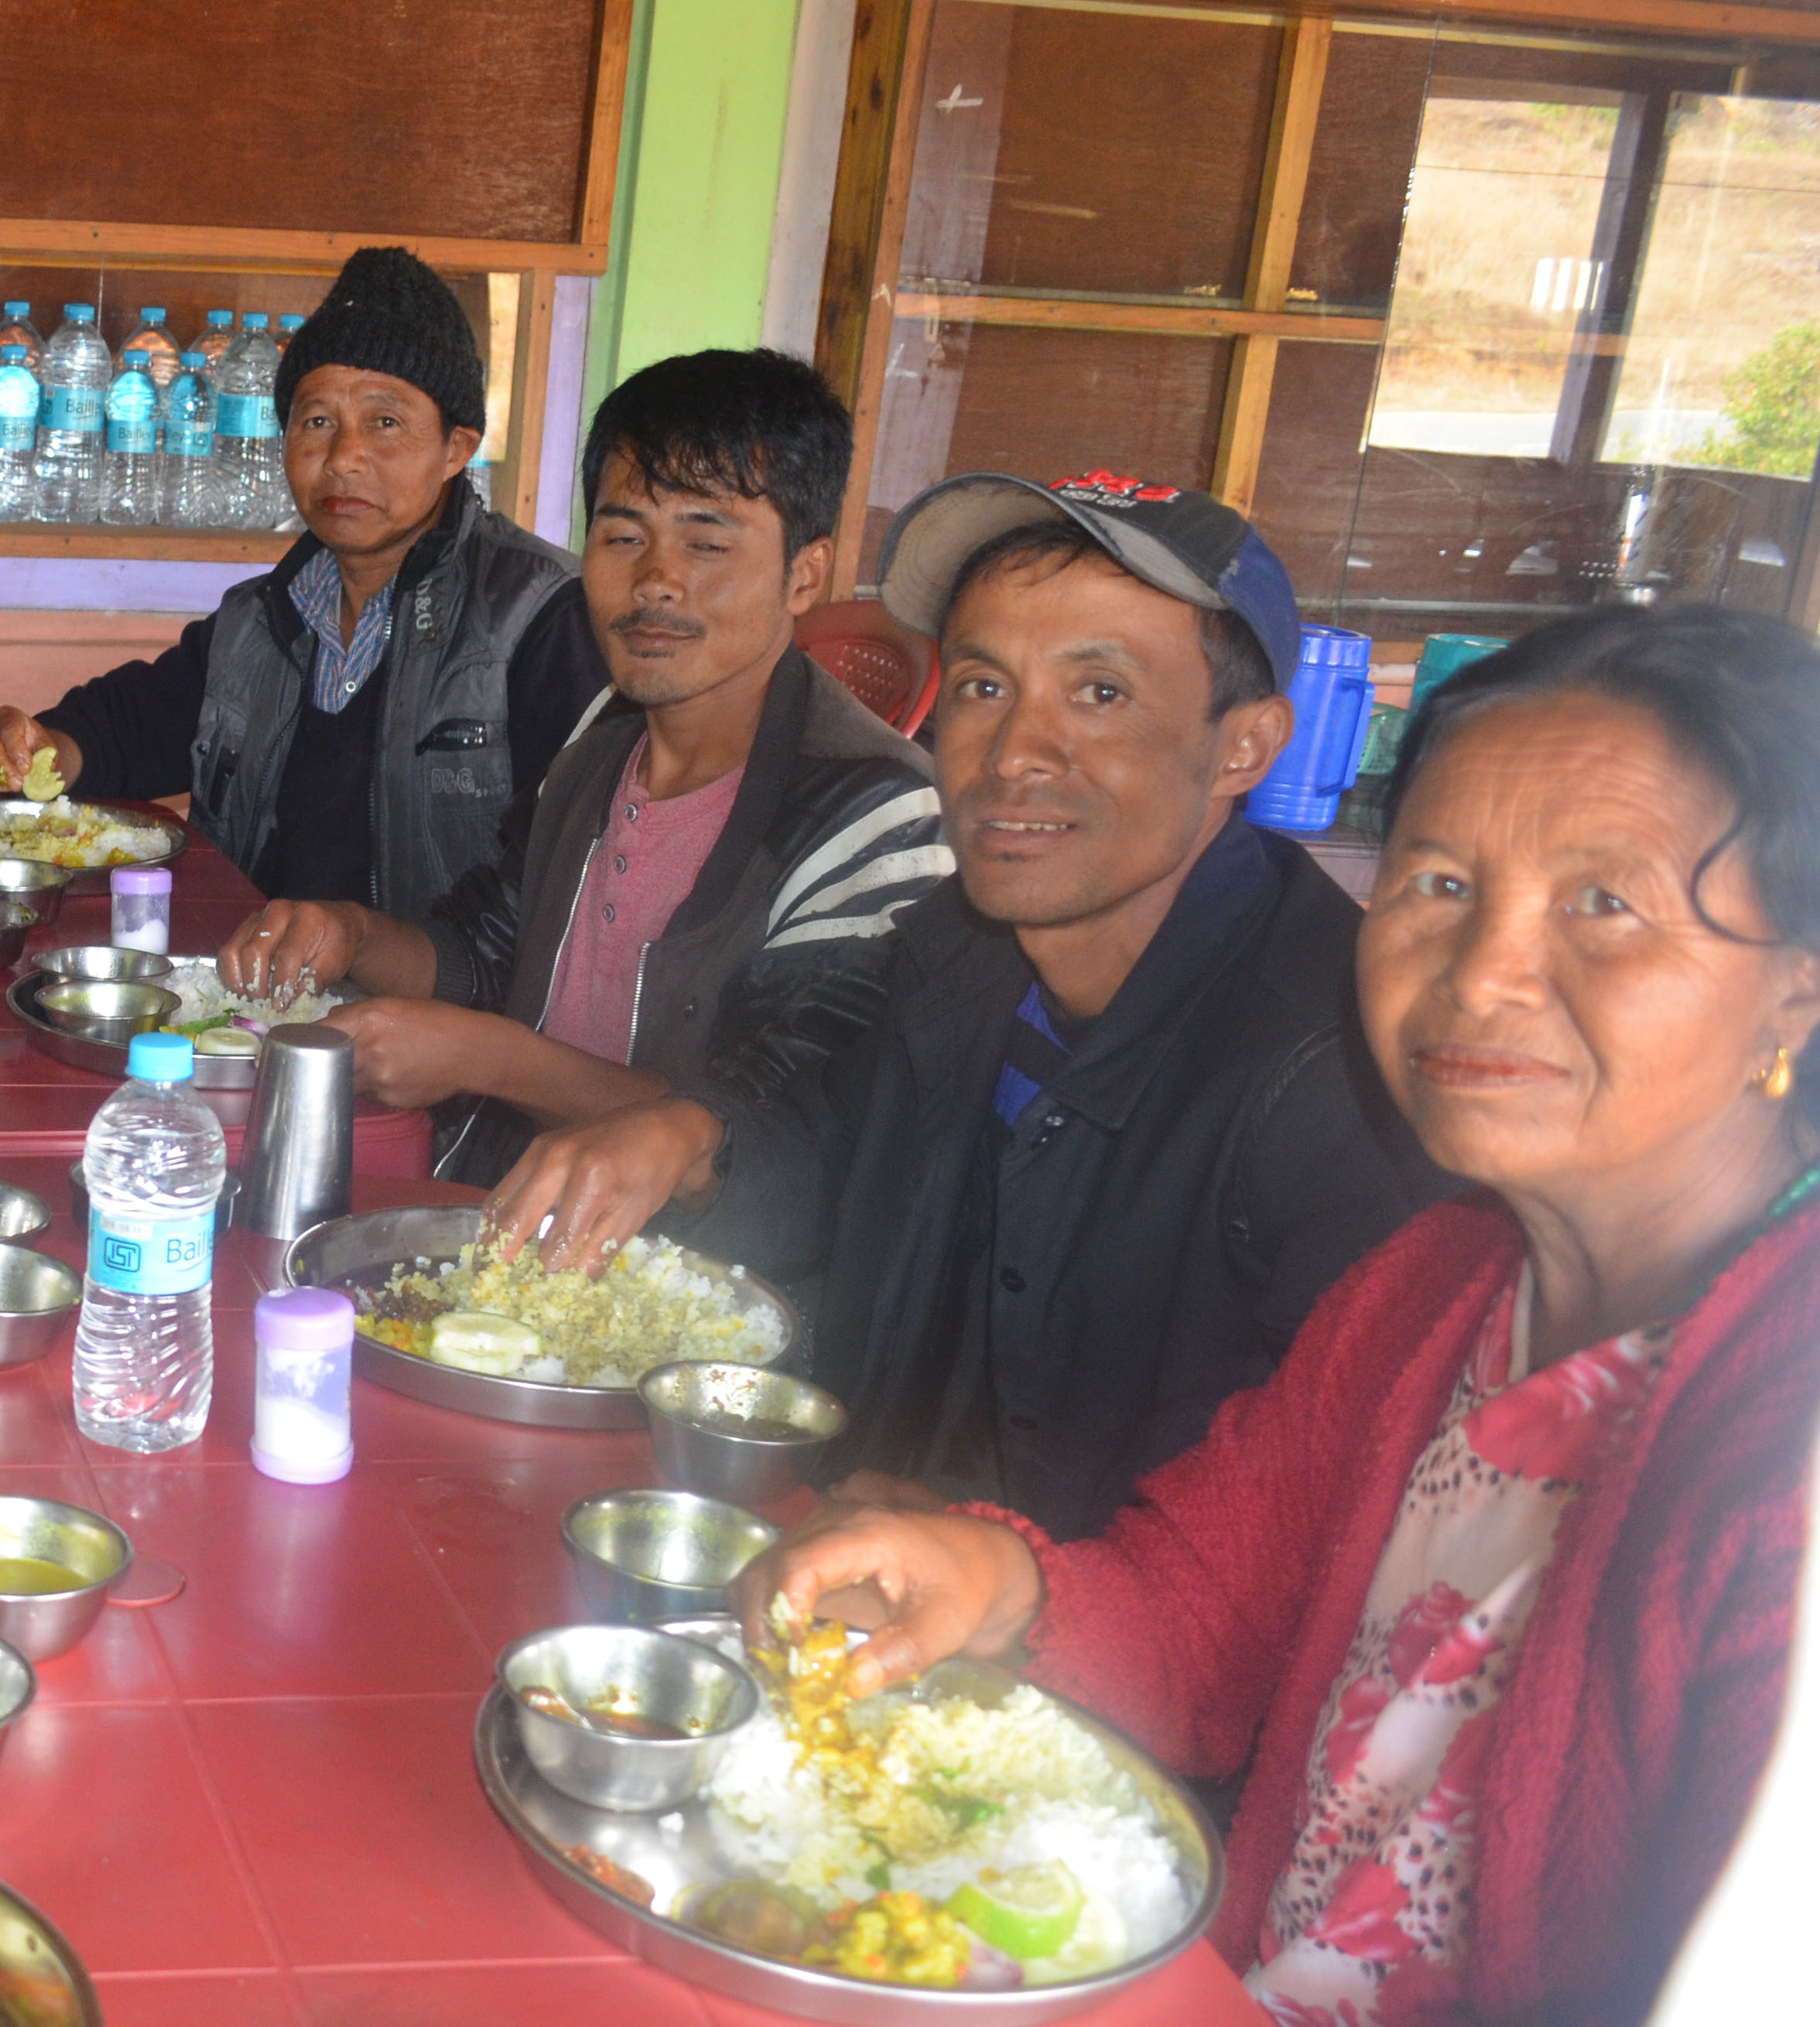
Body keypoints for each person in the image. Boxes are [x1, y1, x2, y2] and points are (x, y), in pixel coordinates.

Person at [730, 603, 1820, 2027]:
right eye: (1440, 881)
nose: (1485, 968)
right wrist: (1001, 1588)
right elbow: (1204, 1614)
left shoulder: (1777, 1442)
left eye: (1607, 906)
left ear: (1799, 999)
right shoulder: (1439, 1292)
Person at [491, 470, 1449, 1536]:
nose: (1014, 756)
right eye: (986, 687)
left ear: (1245, 745)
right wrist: (687, 1138)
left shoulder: (1344, 1076)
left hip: (1095, 1674)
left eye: (1099, 694)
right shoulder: (959, 946)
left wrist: (1019, 1564)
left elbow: (1341, 1511)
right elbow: (821, 1143)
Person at [216, 348, 946, 1184]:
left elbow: (766, 1139)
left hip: (685, 1286)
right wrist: (350, 933)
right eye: (621, 535)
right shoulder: (607, 734)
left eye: (705, 543)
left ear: (803, 574)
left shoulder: (877, 815)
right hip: (504, 1212)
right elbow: (483, 955)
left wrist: (488, 1060)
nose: (654, 581)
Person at [0, 247, 606, 925]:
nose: (343, 457)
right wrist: (40, 746)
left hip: (445, 1017)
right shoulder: (263, 619)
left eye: (385, 422)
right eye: (317, 421)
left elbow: (571, 877)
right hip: (259, 991)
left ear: (456, 448)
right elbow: (130, 729)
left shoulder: (542, 617)